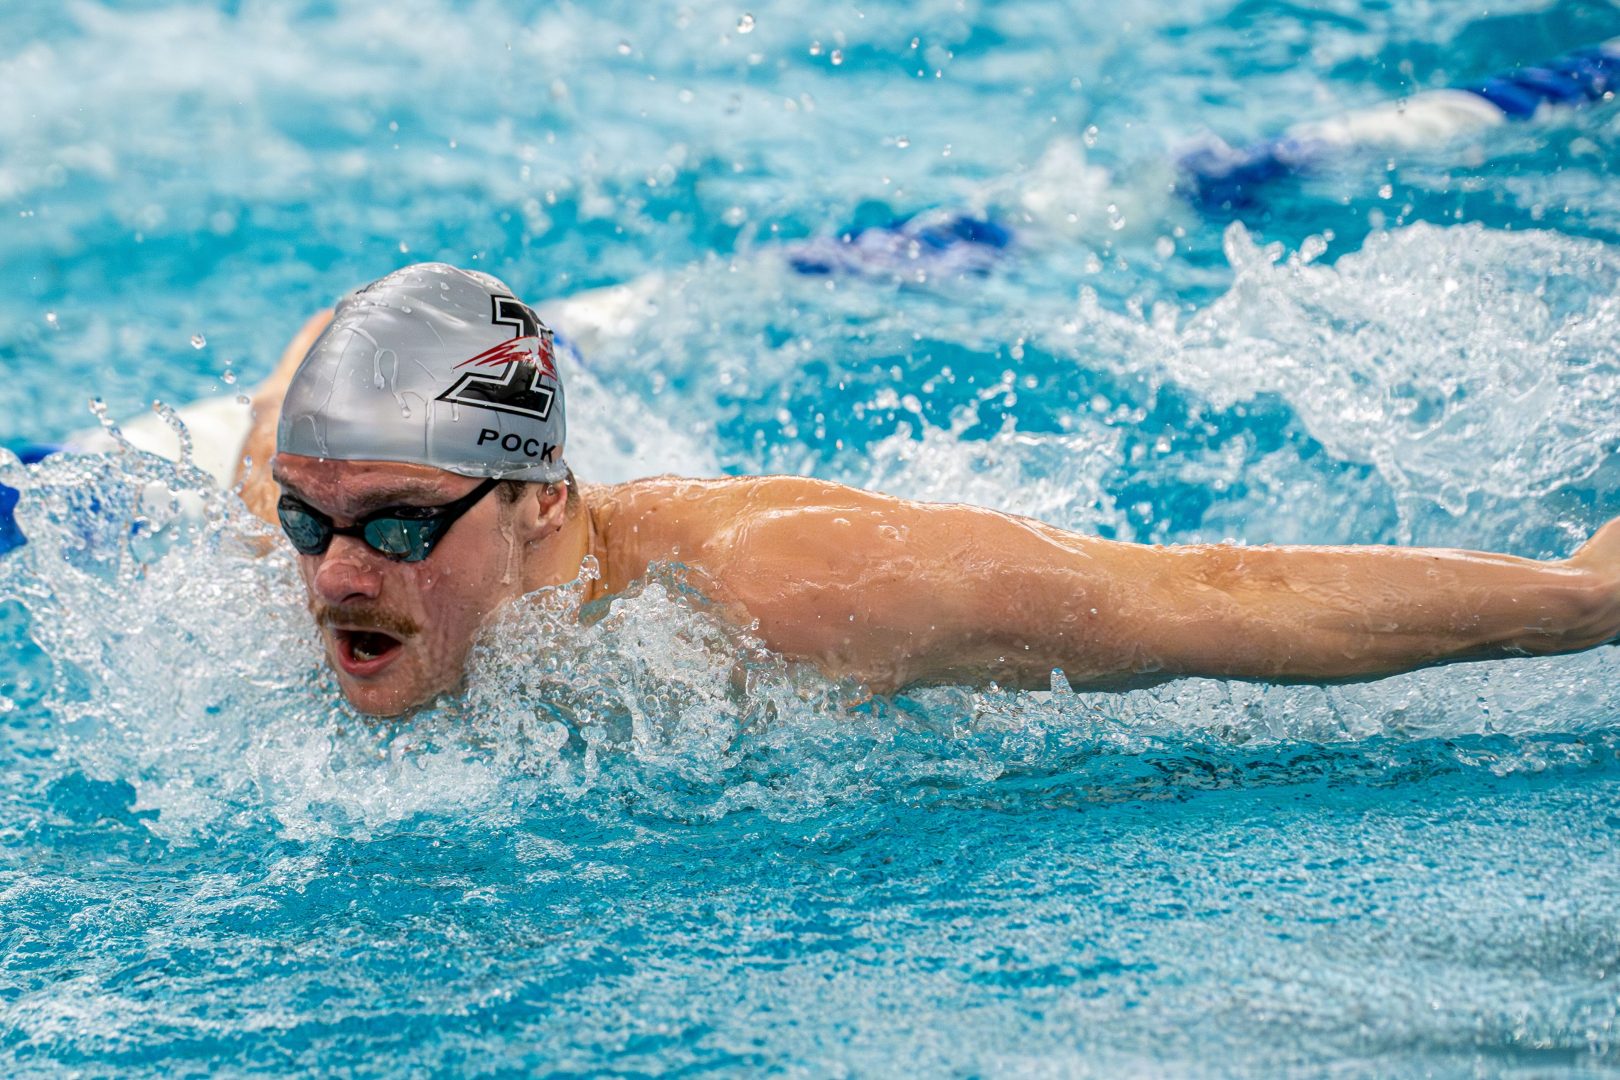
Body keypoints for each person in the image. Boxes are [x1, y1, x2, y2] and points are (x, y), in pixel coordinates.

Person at [238, 263, 1619, 717]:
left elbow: (1214, 593)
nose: (334, 579)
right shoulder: (312, 500)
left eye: (402, 526)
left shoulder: (786, 589)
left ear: (543, 498)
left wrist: (1586, 598)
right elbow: (302, 400)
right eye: (312, 524)